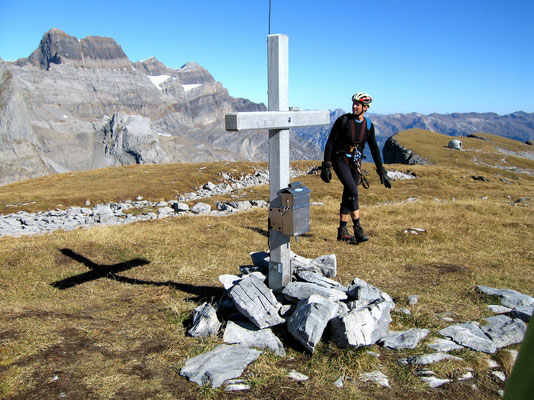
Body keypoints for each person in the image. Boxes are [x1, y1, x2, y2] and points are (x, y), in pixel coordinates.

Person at [320, 92, 391, 244]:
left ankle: (342, 231)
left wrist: (381, 170)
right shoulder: (343, 120)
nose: (354, 106)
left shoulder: (368, 125)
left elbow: (374, 149)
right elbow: (330, 142)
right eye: (354, 103)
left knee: (349, 194)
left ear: (365, 107)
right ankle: (357, 227)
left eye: (358, 104)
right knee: (353, 190)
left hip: (356, 163)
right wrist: (326, 165)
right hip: (340, 159)